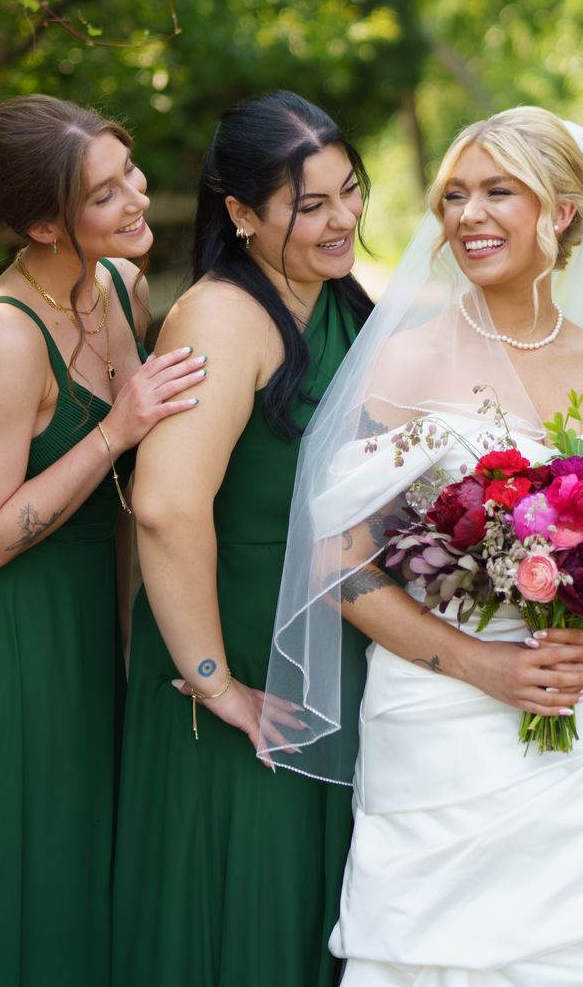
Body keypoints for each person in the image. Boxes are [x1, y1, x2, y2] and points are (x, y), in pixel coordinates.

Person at [262, 106, 583, 984]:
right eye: (454, 197)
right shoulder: (404, 364)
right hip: (439, 720)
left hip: (577, 714)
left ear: (560, 213)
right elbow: (339, 564)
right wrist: (477, 665)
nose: (469, 215)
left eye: (498, 192)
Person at [0, 96, 205, 987]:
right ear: (40, 222)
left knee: (80, 864)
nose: (138, 198)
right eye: (105, 194)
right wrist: (118, 426)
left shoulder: (120, 287)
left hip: (86, 618)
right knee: (17, 872)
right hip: (9, 636)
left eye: (129, 172)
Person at [111, 92, 374, 987]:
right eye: (310, 205)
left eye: (350, 192)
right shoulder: (221, 317)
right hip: (238, 641)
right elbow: (164, 506)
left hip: (327, 628)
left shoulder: (336, 300)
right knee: (240, 899)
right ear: (240, 213)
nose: (341, 220)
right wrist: (217, 683)